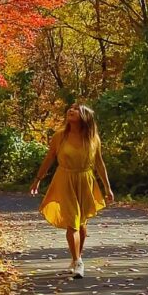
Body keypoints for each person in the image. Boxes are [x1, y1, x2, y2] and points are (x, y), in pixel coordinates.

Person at [30, 103, 114, 278]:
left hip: (85, 180)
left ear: (85, 116)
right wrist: (37, 180)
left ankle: (77, 258)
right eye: (70, 109)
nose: (71, 110)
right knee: (72, 221)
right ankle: (78, 261)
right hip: (65, 179)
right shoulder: (60, 136)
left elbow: (99, 163)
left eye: (76, 109)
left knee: (82, 222)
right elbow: (49, 158)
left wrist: (107, 188)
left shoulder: (93, 138)